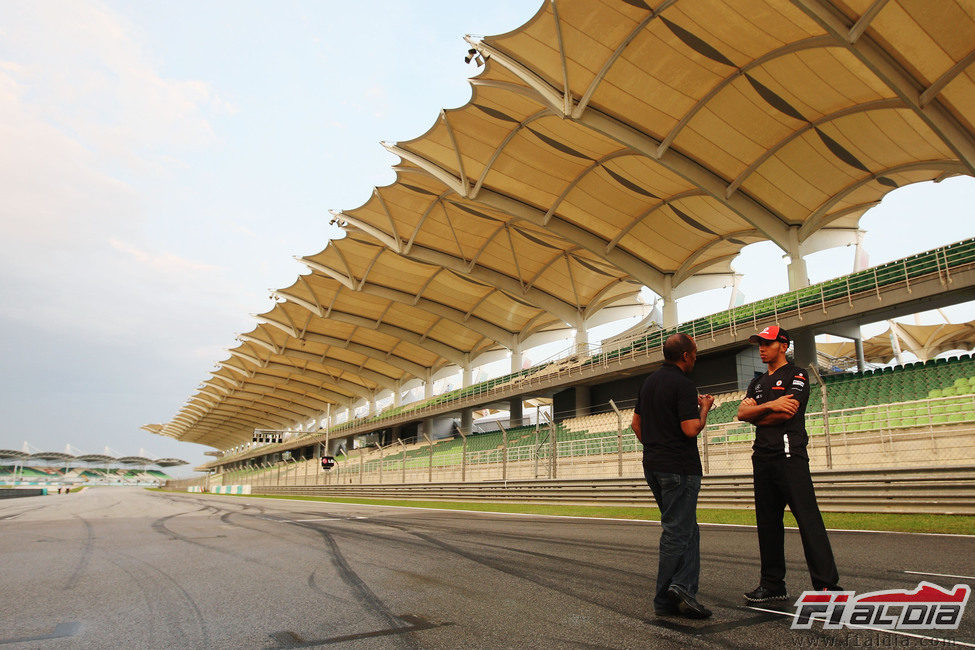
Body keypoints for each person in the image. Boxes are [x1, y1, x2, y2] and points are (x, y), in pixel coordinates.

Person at [736, 325, 842, 603]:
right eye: (759, 343)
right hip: (762, 457)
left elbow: (787, 412)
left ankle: (827, 586)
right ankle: (772, 584)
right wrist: (769, 407)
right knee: (767, 523)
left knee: (808, 520)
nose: (761, 348)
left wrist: (757, 413)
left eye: (767, 343)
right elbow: (741, 413)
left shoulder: (797, 374)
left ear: (783, 345)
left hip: (789, 455)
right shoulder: (757, 383)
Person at [631, 333, 714, 619]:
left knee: (687, 528)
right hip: (679, 467)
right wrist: (704, 409)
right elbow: (691, 429)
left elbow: (635, 425)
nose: (695, 358)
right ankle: (665, 597)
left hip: (653, 464)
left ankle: (683, 589)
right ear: (685, 356)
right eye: (695, 353)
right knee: (678, 532)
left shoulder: (649, 382)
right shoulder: (683, 384)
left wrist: (656, 447)